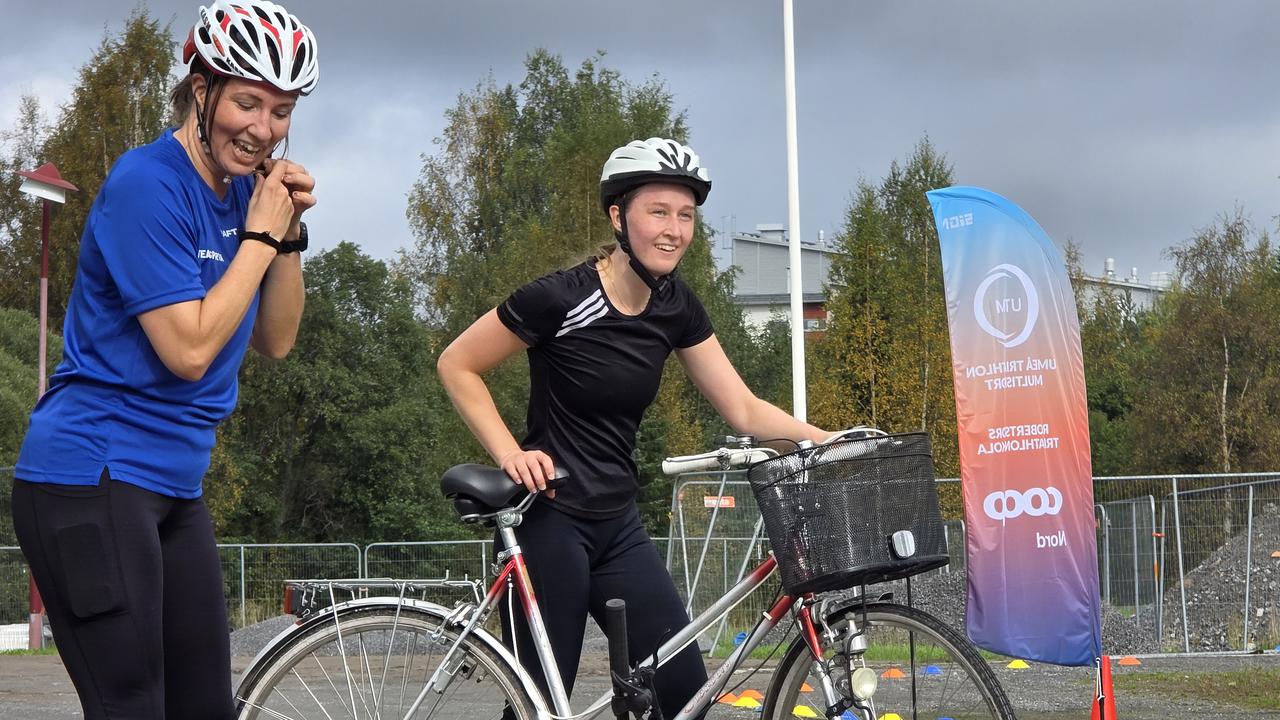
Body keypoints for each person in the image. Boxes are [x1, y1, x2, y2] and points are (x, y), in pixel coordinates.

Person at [437, 137, 833, 718]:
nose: (674, 229)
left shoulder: (677, 305)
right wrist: (508, 453)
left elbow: (743, 410)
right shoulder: (560, 298)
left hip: (617, 524)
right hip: (548, 518)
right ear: (619, 217)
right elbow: (458, 363)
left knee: (682, 695)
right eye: (658, 212)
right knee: (542, 704)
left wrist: (831, 441)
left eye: (686, 215)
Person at [10, 2, 318, 717]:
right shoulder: (146, 184)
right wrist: (260, 241)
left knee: (206, 705)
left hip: (175, 486)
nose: (263, 128)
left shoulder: (248, 193)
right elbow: (189, 350)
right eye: (247, 102)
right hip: (89, 477)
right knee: (133, 705)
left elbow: (276, 339)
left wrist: (289, 235)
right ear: (201, 90)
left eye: (281, 110)